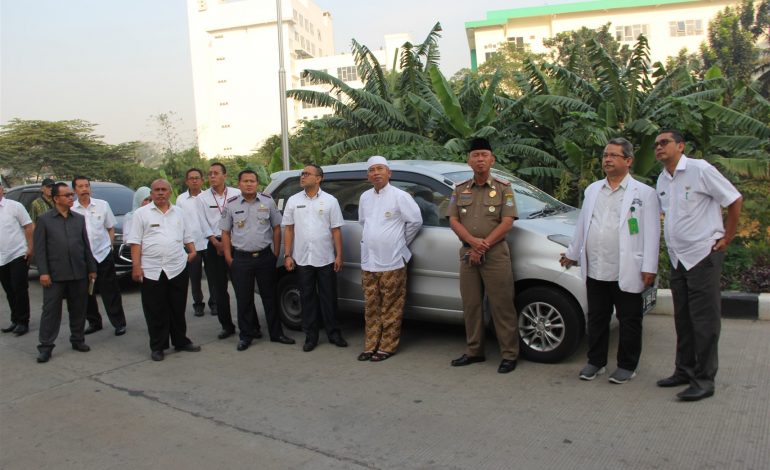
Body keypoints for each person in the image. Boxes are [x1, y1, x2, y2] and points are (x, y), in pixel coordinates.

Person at [560, 138, 660, 384]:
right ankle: (596, 362)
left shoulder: (644, 193)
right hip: (596, 265)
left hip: (627, 267)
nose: (607, 159)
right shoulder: (593, 189)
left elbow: (652, 233)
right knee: (597, 317)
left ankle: (627, 365)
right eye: (605, 155)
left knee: (629, 320)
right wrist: (572, 253)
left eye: (614, 155)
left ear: (628, 160)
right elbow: (583, 224)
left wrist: (649, 267)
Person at [654, 129, 743, 401]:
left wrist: (727, 237)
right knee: (683, 319)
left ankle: (704, 380)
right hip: (678, 258)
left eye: (665, 142)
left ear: (680, 146)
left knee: (704, 321)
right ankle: (684, 370)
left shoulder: (700, 169)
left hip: (702, 255)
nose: (659, 147)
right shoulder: (662, 179)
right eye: (656, 144)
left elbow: (734, 199)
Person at [448, 138, 519, 374]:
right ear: (469, 160)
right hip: (468, 253)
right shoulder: (460, 189)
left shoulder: (504, 187)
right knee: (471, 305)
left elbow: (507, 222)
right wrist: (472, 243)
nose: (480, 159)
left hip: (495, 254)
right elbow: (453, 220)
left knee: (502, 305)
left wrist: (482, 246)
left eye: (484, 155)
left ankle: (509, 354)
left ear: (492, 160)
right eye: (475, 155)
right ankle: (474, 351)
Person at [127, 179, 202, 362]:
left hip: (177, 267)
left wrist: (192, 251)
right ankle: (158, 346)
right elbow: (135, 242)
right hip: (151, 270)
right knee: (155, 309)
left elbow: (187, 235)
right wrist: (136, 266)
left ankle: (180, 341)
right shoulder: (141, 214)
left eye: (164, 190)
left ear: (170, 192)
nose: (160, 193)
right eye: (157, 190)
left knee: (177, 306)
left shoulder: (179, 212)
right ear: (151, 194)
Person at [357, 156, 422, 362]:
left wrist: (398, 242)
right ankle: (370, 345)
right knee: (371, 306)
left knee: (391, 306)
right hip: (369, 261)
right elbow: (363, 222)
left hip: (392, 260)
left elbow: (415, 222)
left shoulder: (400, 196)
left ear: (389, 173)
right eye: (372, 170)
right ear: (368, 175)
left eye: (380, 169)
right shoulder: (365, 197)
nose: (376, 173)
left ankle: (387, 347)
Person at [220, 170, 294, 351]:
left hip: (264, 257)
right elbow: (225, 233)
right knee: (244, 299)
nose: (249, 184)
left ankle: (276, 333)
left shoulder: (267, 201)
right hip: (241, 259)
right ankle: (246, 335)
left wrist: (275, 252)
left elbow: (276, 227)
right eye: (245, 181)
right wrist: (229, 257)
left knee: (270, 297)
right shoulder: (231, 204)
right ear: (239, 184)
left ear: (257, 183)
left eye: (252, 181)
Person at [282, 164, 348, 352]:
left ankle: (334, 333)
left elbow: (336, 230)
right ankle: (311, 336)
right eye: (302, 173)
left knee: (329, 298)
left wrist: (339, 255)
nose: (302, 176)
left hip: (325, 258)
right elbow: (289, 229)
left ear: (318, 178)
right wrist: (287, 255)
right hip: (302, 259)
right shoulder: (293, 200)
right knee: (307, 298)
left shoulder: (330, 201)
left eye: (307, 174)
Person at [33, 182, 97, 363]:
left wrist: (91, 268)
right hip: (55, 275)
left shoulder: (78, 219)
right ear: (56, 199)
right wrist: (43, 272)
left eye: (71, 195)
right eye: (67, 195)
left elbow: (85, 246)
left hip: (78, 272)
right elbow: (40, 249)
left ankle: (77, 339)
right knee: (51, 311)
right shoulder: (45, 220)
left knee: (78, 308)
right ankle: (45, 346)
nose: (71, 198)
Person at [71, 176, 128, 337]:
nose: (84, 189)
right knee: (86, 292)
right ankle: (94, 322)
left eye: (86, 186)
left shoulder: (102, 205)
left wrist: (109, 246)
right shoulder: (72, 209)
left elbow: (110, 228)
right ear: (75, 190)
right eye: (80, 186)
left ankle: (119, 323)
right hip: (82, 257)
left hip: (102, 254)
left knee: (110, 291)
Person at [198, 162, 243, 338]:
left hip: (235, 243)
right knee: (219, 289)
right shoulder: (202, 198)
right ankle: (227, 325)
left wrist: (230, 242)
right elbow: (202, 222)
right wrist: (215, 243)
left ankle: (248, 324)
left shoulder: (236, 193)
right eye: (210, 173)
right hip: (214, 245)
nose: (212, 176)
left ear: (225, 175)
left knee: (241, 286)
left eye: (216, 173)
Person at [176, 168, 214, 317]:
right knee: (195, 277)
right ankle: (198, 304)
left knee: (213, 276)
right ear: (187, 181)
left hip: (209, 242)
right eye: (191, 178)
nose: (194, 181)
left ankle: (214, 303)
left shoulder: (208, 197)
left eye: (197, 178)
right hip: (192, 245)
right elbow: (178, 222)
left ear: (202, 180)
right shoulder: (181, 200)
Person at [0, 182, 33, 337]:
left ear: (1, 189)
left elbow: (28, 226)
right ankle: (15, 319)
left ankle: (23, 321)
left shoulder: (14, 206)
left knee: (19, 288)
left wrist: (30, 248)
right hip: (1, 257)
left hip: (18, 253)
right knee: (9, 289)